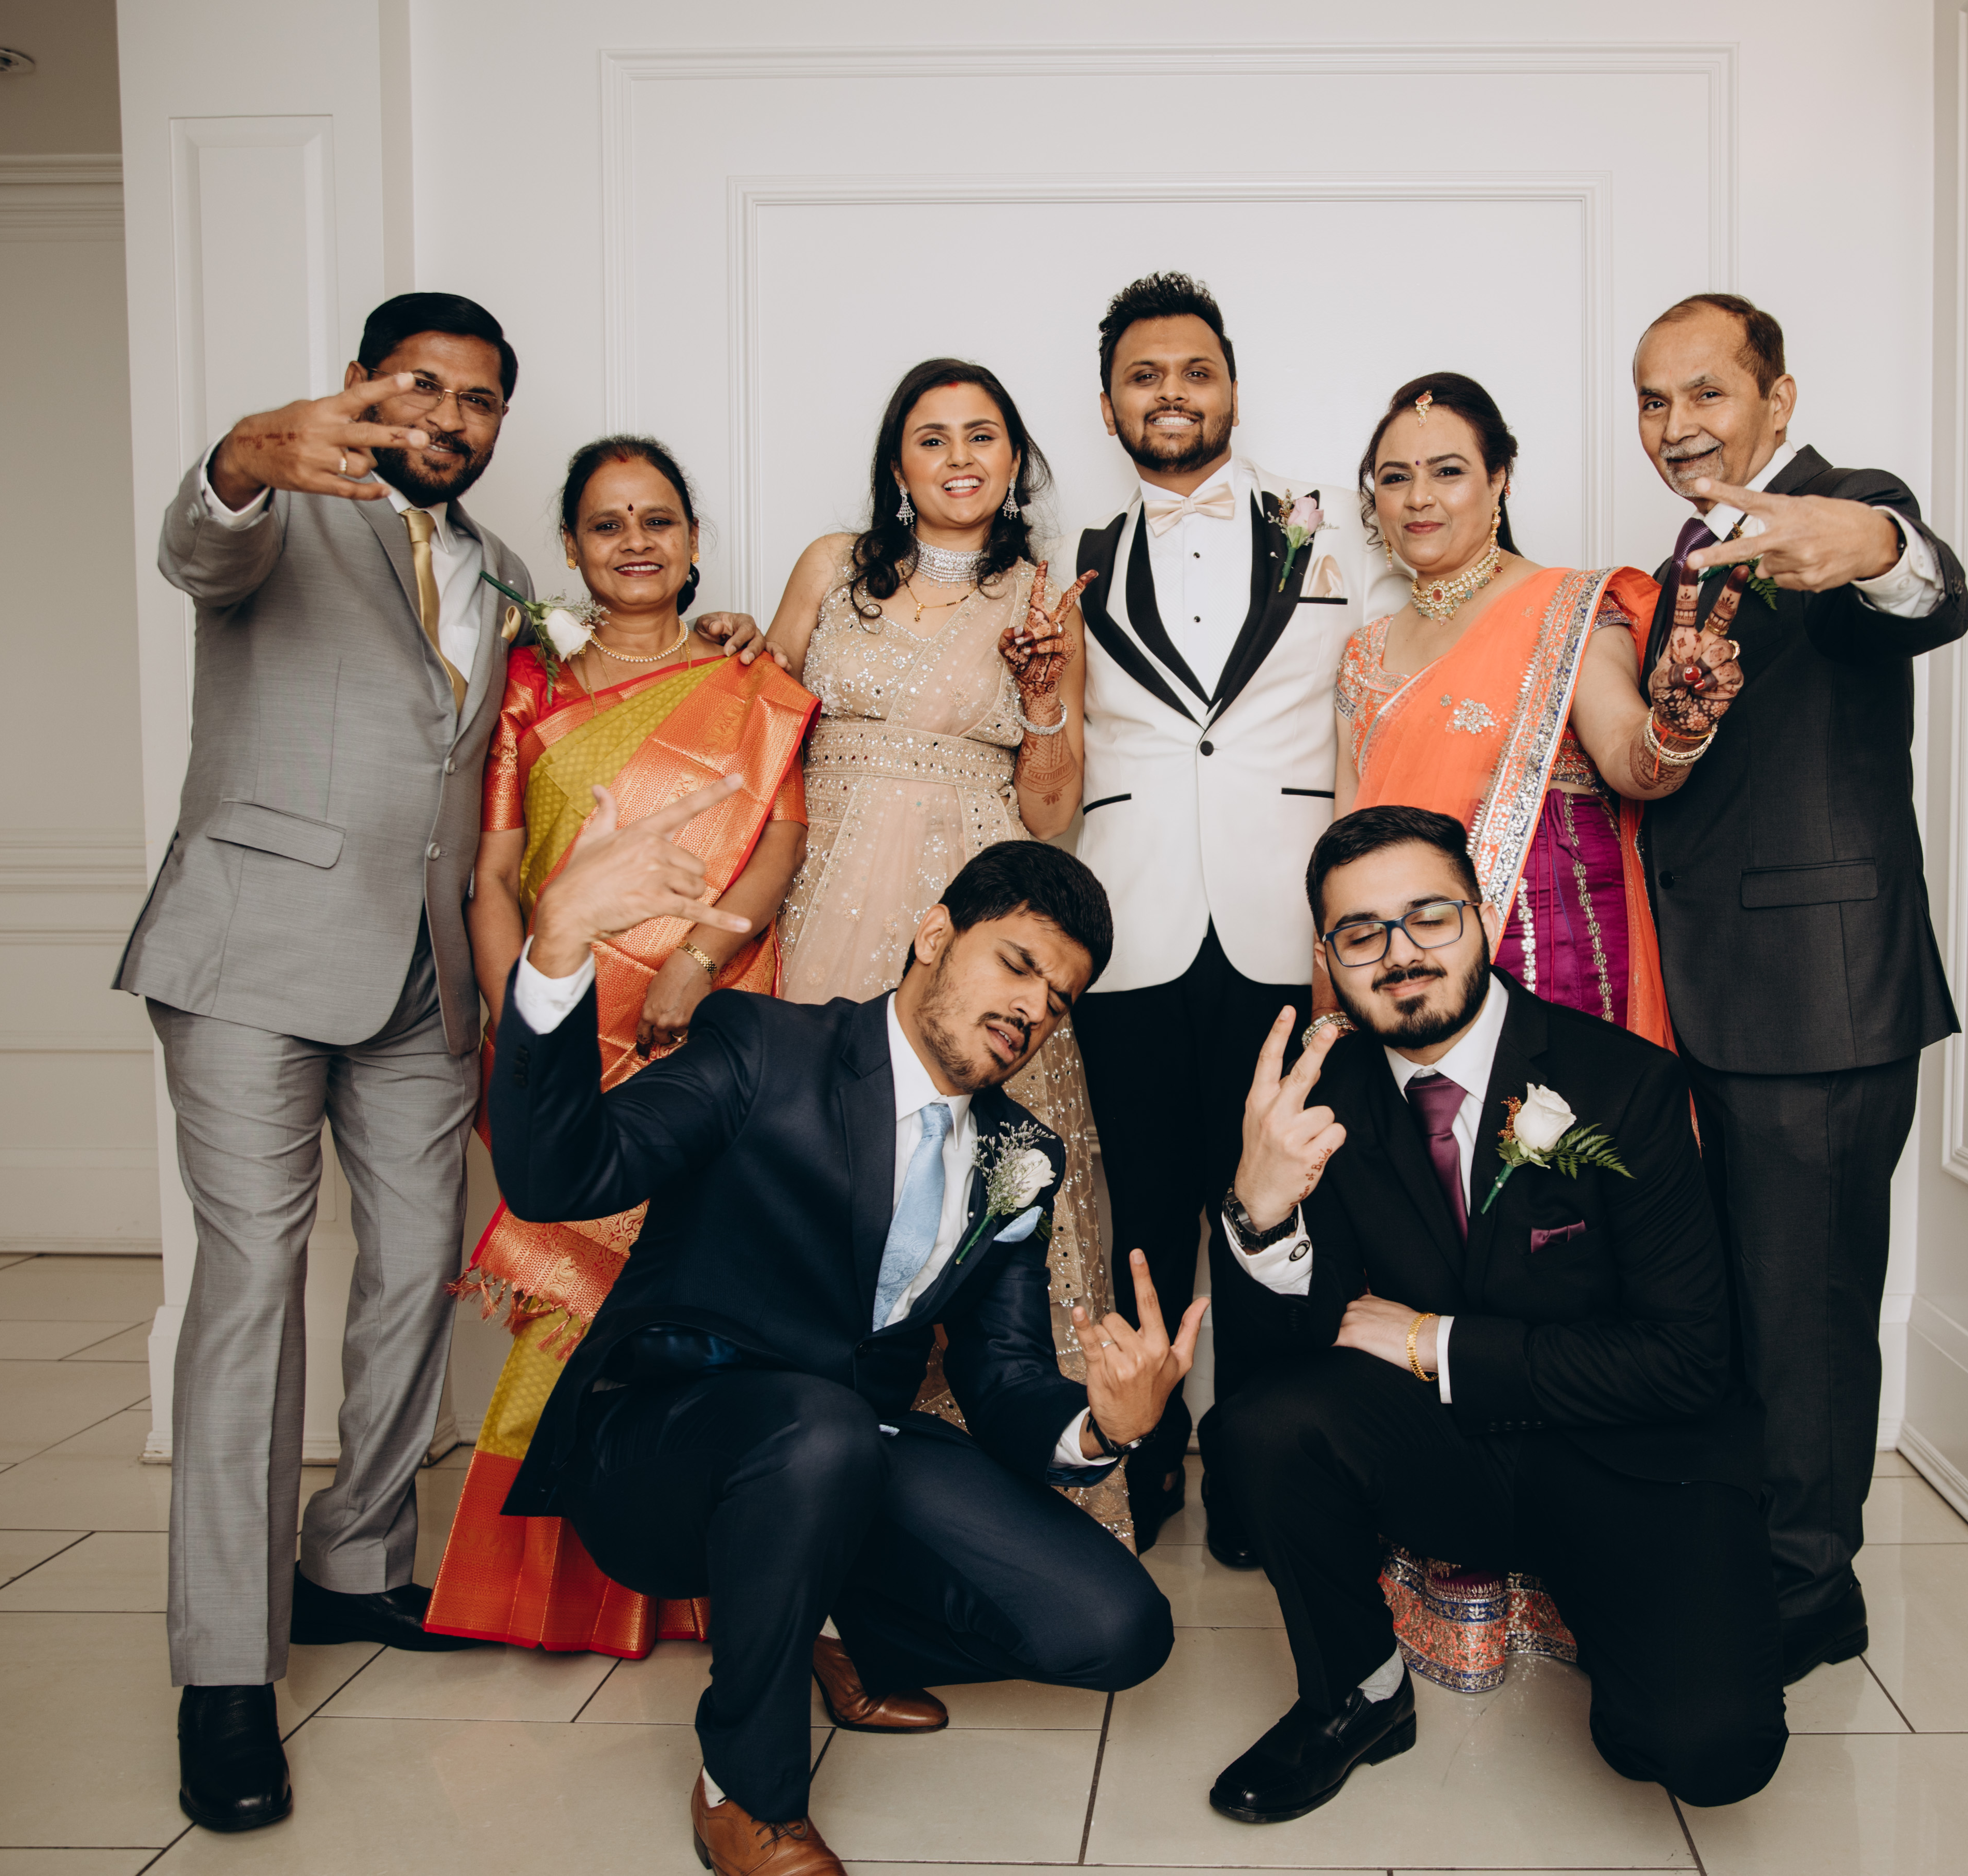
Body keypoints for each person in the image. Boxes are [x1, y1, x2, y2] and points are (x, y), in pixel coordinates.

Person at [118, 290, 766, 1835]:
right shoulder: (282, 506)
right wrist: (242, 454)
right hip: (252, 956)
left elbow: (545, 740)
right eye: (421, 387)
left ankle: (354, 1559)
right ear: (359, 385)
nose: (449, 419)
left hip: (423, 983)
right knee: (253, 1281)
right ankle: (225, 1667)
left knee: (415, 1271)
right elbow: (200, 542)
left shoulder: (505, 582)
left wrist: (720, 638)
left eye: (478, 402)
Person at [490, 830, 1189, 1876]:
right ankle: (745, 1789)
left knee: (1119, 1626)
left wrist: (1103, 1425)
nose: (1033, 1011)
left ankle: (831, 1623)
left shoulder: (1021, 1156)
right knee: (819, 1429)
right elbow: (559, 1173)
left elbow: (1000, 1379)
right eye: (1017, 964)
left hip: (852, 1447)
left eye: (1060, 1000)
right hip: (663, 1448)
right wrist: (555, 947)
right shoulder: (762, 1045)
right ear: (934, 933)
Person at [1198, 806, 1784, 1822]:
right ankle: (1358, 1695)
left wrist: (1431, 1340)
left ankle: (1617, 1625)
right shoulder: (1322, 1100)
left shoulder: (1624, 1083)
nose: (1400, 953)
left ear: (1483, 916)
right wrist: (1256, 1210)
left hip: (1633, 1457)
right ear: (1328, 959)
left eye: (1428, 915)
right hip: (1449, 1456)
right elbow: (1282, 1361)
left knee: (1707, 1748)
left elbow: (1687, 1359)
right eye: (1361, 932)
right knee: (1261, 1425)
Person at [421, 435, 818, 1658]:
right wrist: (532, 1026)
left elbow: (779, 843)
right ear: (574, 547)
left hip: (715, 1012)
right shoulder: (529, 684)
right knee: (568, 1295)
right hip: (569, 1015)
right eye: (608, 523)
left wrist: (695, 964)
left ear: (694, 540)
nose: (636, 541)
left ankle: (705, 1569)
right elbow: (495, 873)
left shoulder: (752, 681)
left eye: (658, 519)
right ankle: (553, 1587)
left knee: (704, 1285)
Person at [1627, 292, 1968, 1687]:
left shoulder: (1838, 511)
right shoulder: (1686, 556)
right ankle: (1751, 1551)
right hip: (1706, 997)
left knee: (1809, 1309)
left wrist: (1877, 543)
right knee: (1739, 1302)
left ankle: (1809, 1590)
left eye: (1705, 392)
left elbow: (1925, 588)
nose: (1675, 425)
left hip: (1817, 1000)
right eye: (1652, 400)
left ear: (1777, 399)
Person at [1052, 272, 1408, 1555]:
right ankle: (1142, 1464)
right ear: (1108, 406)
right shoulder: (1073, 559)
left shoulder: (1332, 535)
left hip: (1284, 918)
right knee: (1140, 1214)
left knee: (1278, 1212)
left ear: (1233, 390)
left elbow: (1391, 690)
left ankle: (1264, 1475)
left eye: (1195, 370)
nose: (1172, 393)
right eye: (1144, 376)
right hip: (1133, 922)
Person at [760, 358, 1121, 1543]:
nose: (960, 457)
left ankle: (987, 1499)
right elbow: (756, 730)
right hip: (826, 903)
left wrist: (1044, 694)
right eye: (933, 436)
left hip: (974, 913)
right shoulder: (830, 567)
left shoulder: (1043, 597)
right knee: (823, 1172)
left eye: (983, 435)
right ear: (897, 462)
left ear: (1015, 461)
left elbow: (1053, 814)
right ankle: (795, 1484)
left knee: (980, 1183)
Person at [1335, 372, 1738, 1049]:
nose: (1418, 497)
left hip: (1554, 957)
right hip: (1400, 974)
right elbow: (1343, 848)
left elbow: (1634, 767)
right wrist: (1333, 1007)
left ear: (1499, 480)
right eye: (1395, 478)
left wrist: (1677, 723)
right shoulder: (1363, 653)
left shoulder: (1568, 610)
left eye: (1447, 471)